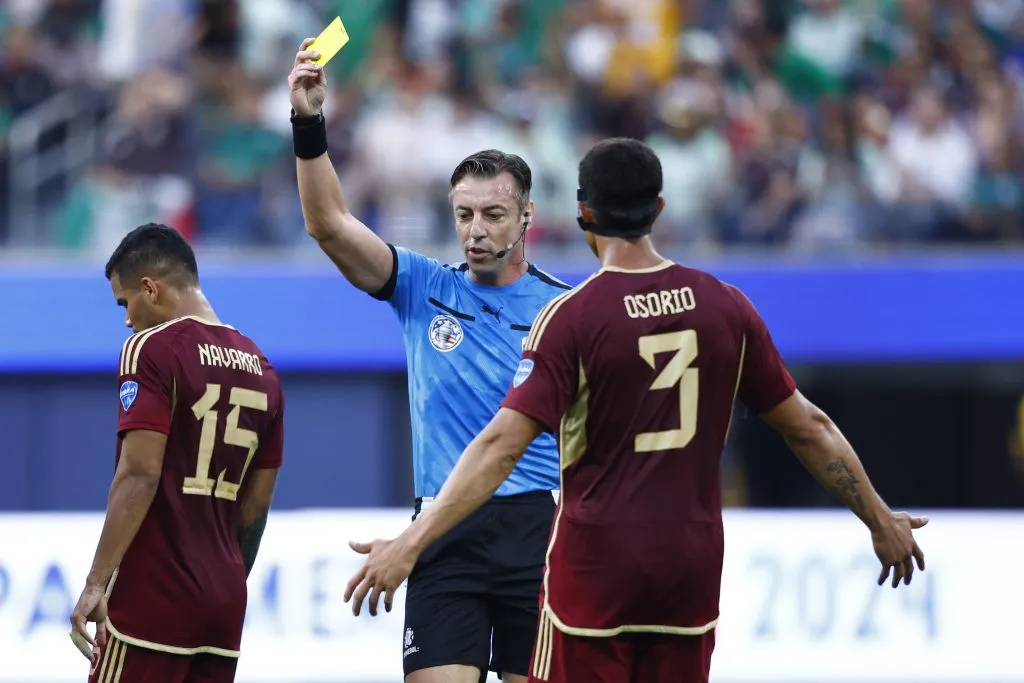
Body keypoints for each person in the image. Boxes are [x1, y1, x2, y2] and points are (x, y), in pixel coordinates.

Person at [343, 138, 928, 683]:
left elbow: (500, 446)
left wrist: (413, 542)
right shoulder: (725, 307)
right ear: (660, 208)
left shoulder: (571, 317)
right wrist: (879, 518)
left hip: (593, 570)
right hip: (688, 567)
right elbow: (810, 426)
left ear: (582, 213)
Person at [287, 41, 570, 683]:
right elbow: (328, 223)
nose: (476, 230)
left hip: (539, 529)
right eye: (464, 214)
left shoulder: (564, 309)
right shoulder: (423, 287)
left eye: (494, 215)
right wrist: (308, 122)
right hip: (443, 532)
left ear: (528, 217)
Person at [69, 223, 284, 683]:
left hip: (152, 597)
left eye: (125, 302)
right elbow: (256, 505)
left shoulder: (150, 349)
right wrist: (224, 583)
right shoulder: (264, 370)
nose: (127, 319)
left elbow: (139, 474)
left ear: (150, 288)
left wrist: (95, 582)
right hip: (224, 607)